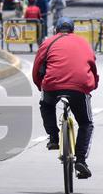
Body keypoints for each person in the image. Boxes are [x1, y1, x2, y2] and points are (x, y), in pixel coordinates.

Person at [33, 18, 99, 179]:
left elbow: (36, 68)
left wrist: (40, 85)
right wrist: (92, 85)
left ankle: (54, 137)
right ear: (72, 30)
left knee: (46, 105)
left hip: (52, 85)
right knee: (86, 123)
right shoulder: (83, 43)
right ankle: (81, 160)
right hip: (79, 87)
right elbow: (93, 67)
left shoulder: (48, 42)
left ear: (56, 30)